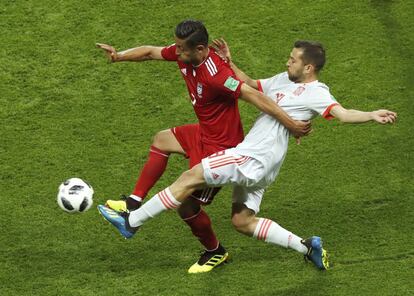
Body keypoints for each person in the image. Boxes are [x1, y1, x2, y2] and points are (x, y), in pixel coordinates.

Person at [98, 39, 397, 270]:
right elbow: (252, 84)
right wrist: (231, 62)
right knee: (242, 221)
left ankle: (132, 221)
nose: (287, 62)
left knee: (190, 177)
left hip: (254, 156)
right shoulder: (285, 79)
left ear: (308, 68)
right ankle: (308, 248)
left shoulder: (317, 92)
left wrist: (371, 114)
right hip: (266, 166)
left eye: (293, 60)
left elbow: (342, 114)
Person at [96, 20, 311, 273]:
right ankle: (133, 203)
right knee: (161, 139)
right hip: (203, 133)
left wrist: (292, 124)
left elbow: (254, 96)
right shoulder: (184, 54)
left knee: (186, 205)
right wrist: (119, 56)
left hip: (221, 148)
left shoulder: (217, 75)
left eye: (180, 49)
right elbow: (151, 52)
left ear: (199, 49)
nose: (175, 52)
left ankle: (215, 252)